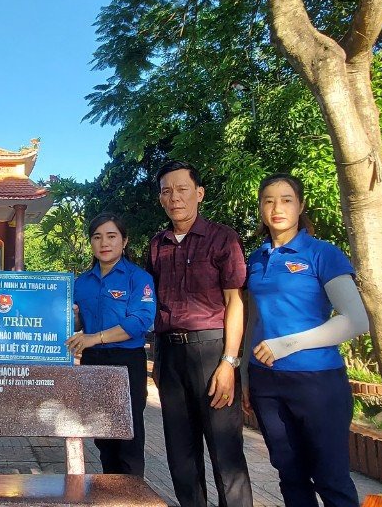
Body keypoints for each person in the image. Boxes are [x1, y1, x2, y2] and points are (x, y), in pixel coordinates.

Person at [246, 173, 370, 507]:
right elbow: (253, 320)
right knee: (290, 475)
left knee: (331, 478)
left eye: (286, 200)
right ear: (260, 208)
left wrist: (287, 344)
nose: (277, 208)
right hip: (266, 382)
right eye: (269, 201)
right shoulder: (256, 259)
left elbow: (356, 319)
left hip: (317, 382)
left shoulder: (322, 253)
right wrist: (245, 374)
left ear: (300, 206)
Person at [147, 161, 253, 507]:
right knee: (181, 455)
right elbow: (151, 302)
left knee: (226, 453)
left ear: (199, 193)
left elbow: (235, 302)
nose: (174, 197)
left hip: (211, 352)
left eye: (182, 189)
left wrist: (229, 362)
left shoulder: (223, 238)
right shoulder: (157, 244)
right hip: (169, 355)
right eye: (167, 191)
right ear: (161, 199)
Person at [66, 213, 156, 476]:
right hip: (93, 362)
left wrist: (95, 337)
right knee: (103, 436)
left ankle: (131, 493)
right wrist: (71, 318)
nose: (104, 243)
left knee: (128, 437)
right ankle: (110, 491)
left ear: (124, 241)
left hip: (127, 363)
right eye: (97, 237)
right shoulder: (81, 283)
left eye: (111, 236)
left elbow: (140, 321)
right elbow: (72, 323)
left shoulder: (138, 278)